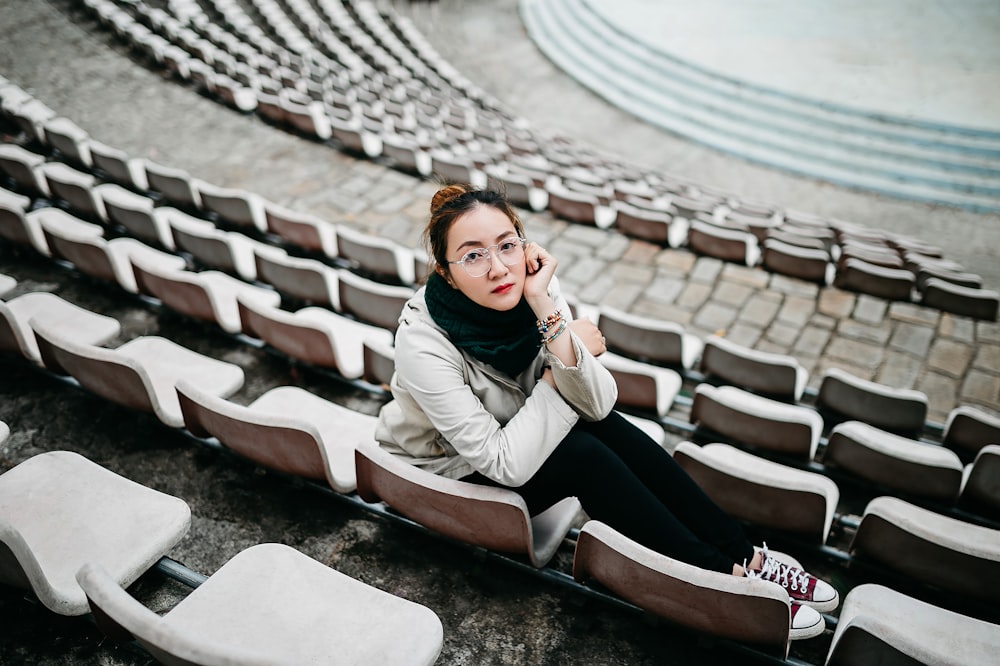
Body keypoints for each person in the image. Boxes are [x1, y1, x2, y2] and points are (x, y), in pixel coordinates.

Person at [375, 184, 837, 637]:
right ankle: (716, 579)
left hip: (518, 432)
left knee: (604, 427)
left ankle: (745, 556)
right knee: (583, 455)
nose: (499, 268)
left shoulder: (535, 287)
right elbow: (503, 462)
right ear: (446, 271)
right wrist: (559, 371)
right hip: (446, 472)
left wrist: (546, 312)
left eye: (507, 246)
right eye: (473, 255)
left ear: (524, 244)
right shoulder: (422, 343)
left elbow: (597, 403)